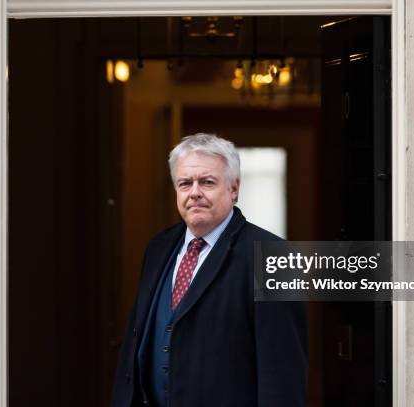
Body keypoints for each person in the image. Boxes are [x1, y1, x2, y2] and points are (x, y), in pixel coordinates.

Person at [111, 134, 308, 407]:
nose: (195, 192)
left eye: (207, 182)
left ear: (234, 189)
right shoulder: (158, 248)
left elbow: (282, 374)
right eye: (185, 183)